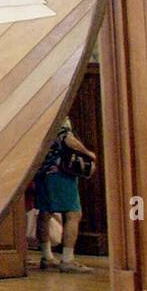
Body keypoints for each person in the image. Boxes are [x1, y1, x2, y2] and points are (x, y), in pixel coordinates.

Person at [33, 117, 98, 273]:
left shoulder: (40, 114)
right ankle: (68, 259)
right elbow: (67, 139)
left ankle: (47, 257)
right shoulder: (59, 112)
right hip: (60, 172)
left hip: (42, 170)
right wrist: (88, 153)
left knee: (45, 213)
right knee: (73, 214)